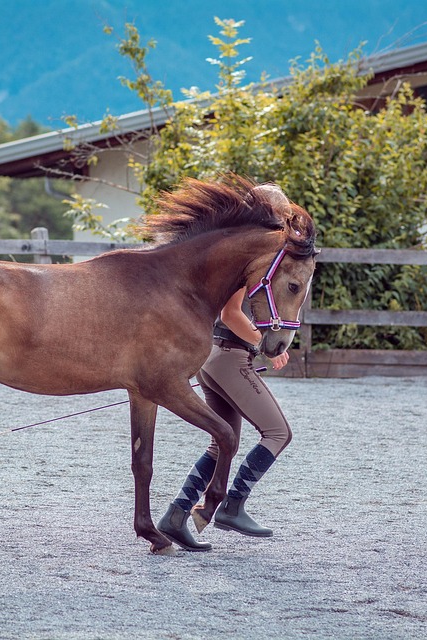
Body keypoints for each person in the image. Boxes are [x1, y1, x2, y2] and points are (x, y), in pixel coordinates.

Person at [157, 184, 296, 552]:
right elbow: (230, 313)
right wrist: (263, 345)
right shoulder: (245, 252)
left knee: (222, 445)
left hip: (216, 359)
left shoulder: (242, 248)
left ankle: (177, 514)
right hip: (229, 355)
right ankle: (233, 505)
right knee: (278, 432)